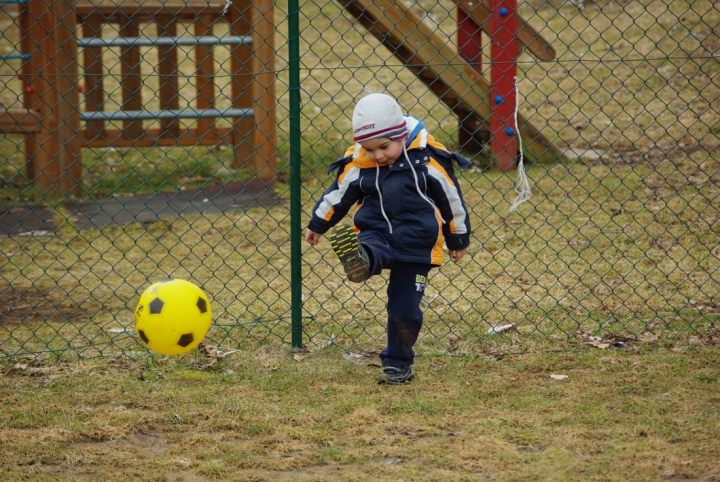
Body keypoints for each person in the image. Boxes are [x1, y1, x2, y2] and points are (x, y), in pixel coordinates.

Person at [305, 93, 471, 385]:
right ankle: (362, 260)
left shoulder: (428, 159)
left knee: (404, 308)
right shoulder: (361, 164)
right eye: (370, 149)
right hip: (376, 232)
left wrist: (457, 238)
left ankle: (398, 364)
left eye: (384, 147)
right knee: (372, 247)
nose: (378, 156)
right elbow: (339, 194)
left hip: (416, 242)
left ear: (401, 134)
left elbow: (451, 199)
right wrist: (319, 223)